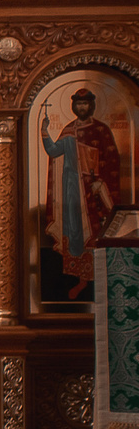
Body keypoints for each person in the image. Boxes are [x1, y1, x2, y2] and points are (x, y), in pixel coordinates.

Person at [42, 88, 126, 298]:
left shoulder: (101, 130)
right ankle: (79, 280)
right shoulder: (69, 131)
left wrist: (102, 183)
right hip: (72, 191)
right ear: (73, 106)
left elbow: (113, 159)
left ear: (92, 105)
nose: (82, 107)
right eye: (78, 104)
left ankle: (100, 281)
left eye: (85, 104)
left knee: (95, 234)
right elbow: (53, 151)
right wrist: (44, 131)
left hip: (94, 191)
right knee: (75, 236)